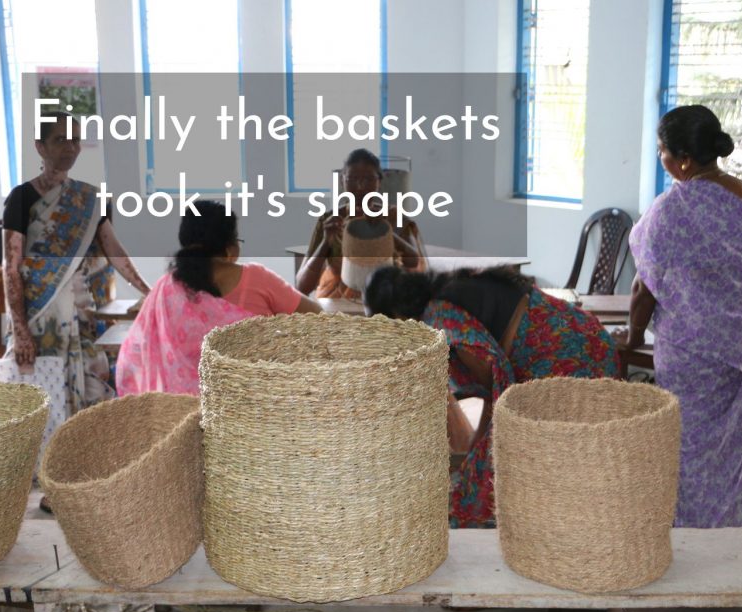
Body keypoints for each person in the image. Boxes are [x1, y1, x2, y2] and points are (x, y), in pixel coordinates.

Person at [365, 265, 619, 528]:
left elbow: (499, 387)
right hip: (585, 336)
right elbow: (495, 390)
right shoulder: (444, 292)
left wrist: (478, 466)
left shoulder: (441, 318)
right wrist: (477, 449)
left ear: (396, 315)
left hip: (574, 355)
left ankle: (564, 528)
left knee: (524, 471)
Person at [622, 104, 742, 528]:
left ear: (682, 158)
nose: (660, 158)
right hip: (739, 350)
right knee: (733, 447)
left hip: (688, 354)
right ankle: (730, 531)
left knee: (686, 444)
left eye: (661, 151)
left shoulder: (670, 210)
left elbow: (643, 287)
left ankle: (686, 530)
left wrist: (632, 336)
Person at [3, 110, 151, 417]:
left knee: (90, 396)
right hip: (37, 318)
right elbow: (11, 266)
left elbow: (113, 250)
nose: (70, 147)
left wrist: (148, 292)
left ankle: (80, 459)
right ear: (40, 147)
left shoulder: (90, 199)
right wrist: (20, 331)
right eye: (60, 140)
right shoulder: (21, 198)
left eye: (75, 140)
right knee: (39, 401)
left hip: (79, 316)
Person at [116, 201, 321, 396]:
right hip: (253, 412)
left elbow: (134, 355)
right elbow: (316, 315)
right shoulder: (257, 279)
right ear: (231, 249)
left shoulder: (165, 289)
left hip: (180, 416)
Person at [296, 149, 425, 299]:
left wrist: (387, 232)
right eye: (352, 179)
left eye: (369, 179)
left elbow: (413, 263)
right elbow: (302, 286)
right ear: (342, 182)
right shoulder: (331, 221)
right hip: (338, 306)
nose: (360, 187)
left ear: (379, 182)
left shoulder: (392, 216)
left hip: (386, 303)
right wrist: (326, 242)